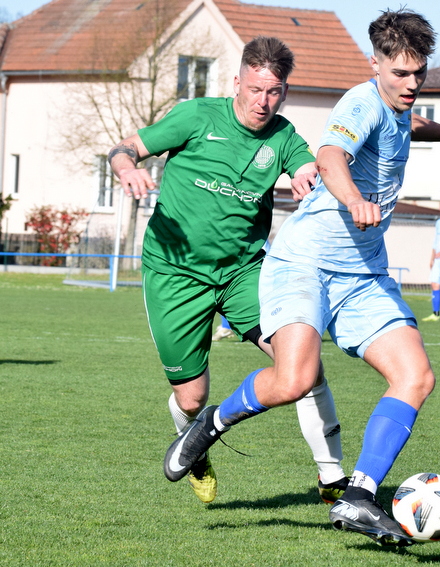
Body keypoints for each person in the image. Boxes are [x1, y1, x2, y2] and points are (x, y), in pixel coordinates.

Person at [163, 9, 440, 546]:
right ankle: (211, 424)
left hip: (363, 274)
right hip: (306, 264)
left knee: (416, 376)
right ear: (374, 64)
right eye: (400, 74)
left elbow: (409, 125)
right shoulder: (360, 103)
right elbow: (331, 153)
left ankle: (358, 495)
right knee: (294, 380)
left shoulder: (398, 105)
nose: (411, 84)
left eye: (419, 73)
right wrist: (354, 198)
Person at [109, 36, 347, 505]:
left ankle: (332, 476)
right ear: (237, 82)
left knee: (303, 364)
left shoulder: (282, 135)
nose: (263, 101)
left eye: (273, 92)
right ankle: (195, 450)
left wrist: (305, 173)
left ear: (284, 91)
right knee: (192, 397)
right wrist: (126, 168)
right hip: (175, 273)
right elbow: (125, 147)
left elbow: (305, 163)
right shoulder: (196, 116)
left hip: (244, 273)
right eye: (255, 89)